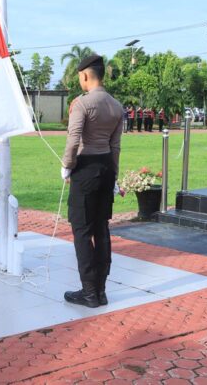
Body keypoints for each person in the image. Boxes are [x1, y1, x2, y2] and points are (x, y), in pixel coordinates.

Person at [61, 54, 123, 308]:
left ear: (85, 75)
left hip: (86, 168)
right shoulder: (116, 105)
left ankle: (89, 292)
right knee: (101, 228)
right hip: (107, 166)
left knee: (82, 231)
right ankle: (101, 290)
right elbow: (116, 145)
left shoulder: (83, 103)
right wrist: (114, 176)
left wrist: (67, 166)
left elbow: (74, 138)